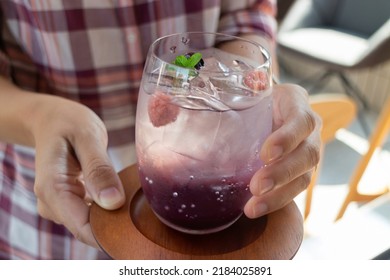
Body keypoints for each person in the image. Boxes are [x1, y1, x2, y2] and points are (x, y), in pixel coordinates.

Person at [0, 0, 321, 259]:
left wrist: (253, 89)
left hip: (224, 232)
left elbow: (247, 11)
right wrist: (40, 117)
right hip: (55, 217)